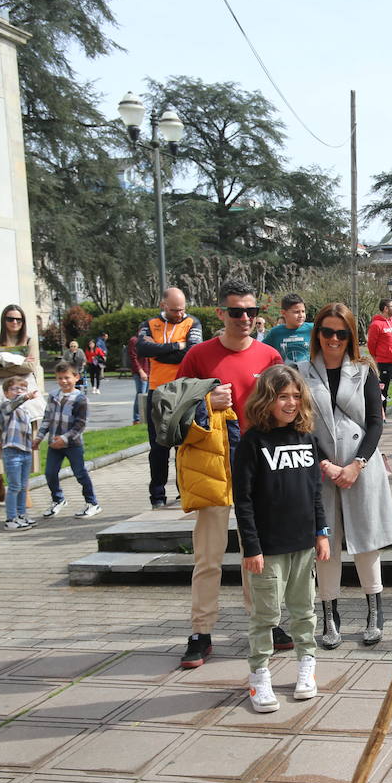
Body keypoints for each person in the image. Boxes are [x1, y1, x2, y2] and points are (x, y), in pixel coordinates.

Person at [174, 281, 284, 669]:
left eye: (251, 311)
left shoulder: (270, 356)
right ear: (220, 313)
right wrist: (205, 400)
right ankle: (201, 632)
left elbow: (285, 410)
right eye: (236, 311)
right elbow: (171, 413)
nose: (245, 319)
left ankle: (267, 623)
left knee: (260, 554)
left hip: (258, 468)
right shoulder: (199, 356)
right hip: (215, 466)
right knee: (208, 556)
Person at [297, 303, 392, 649]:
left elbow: (375, 422)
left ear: (351, 336)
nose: (334, 339)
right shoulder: (302, 372)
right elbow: (302, 425)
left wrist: (357, 464)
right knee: (326, 543)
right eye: (327, 332)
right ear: (318, 334)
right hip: (322, 469)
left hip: (360, 467)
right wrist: (325, 463)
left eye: (342, 333)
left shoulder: (364, 370)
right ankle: (329, 612)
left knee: (366, 540)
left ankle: (374, 608)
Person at [232, 364, 329, 712]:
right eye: (282, 396)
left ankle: (307, 667)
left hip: (303, 544)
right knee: (266, 615)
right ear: (266, 400)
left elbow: (315, 491)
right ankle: (259, 676)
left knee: (304, 611)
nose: (290, 403)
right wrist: (252, 546)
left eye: (295, 396)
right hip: (268, 549)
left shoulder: (307, 438)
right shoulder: (251, 443)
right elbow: (242, 500)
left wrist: (322, 532)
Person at [137, 287, 203, 509]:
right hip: (157, 391)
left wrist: (159, 352)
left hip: (183, 390)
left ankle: (184, 492)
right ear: (163, 305)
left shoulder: (192, 322)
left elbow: (192, 351)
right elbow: (142, 348)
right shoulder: (150, 324)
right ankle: (157, 496)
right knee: (158, 447)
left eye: (183, 309)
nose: (180, 314)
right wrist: (176, 346)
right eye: (175, 310)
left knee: (183, 446)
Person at [0, 305, 44, 510]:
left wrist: (2, 365)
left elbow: (30, 367)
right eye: (10, 319)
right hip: (0, 397)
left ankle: (24, 490)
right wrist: (15, 366)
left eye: (19, 319)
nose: (14, 323)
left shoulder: (29, 342)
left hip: (25, 397)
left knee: (26, 439)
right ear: (4, 320)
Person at [34, 361, 100, 518]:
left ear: (76, 377)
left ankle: (92, 503)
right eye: (59, 378)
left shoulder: (80, 399)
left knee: (80, 473)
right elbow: (47, 419)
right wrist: (39, 438)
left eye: (67, 377)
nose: (63, 381)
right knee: (50, 473)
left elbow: (81, 424)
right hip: (54, 444)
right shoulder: (53, 396)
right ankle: (58, 499)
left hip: (73, 444)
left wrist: (64, 439)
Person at [0, 376, 38, 530]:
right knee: (14, 486)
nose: (18, 391)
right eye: (14, 389)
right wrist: (25, 397)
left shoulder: (25, 410)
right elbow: (13, 405)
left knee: (23, 486)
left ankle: (21, 514)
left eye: (22, 389)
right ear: (6, 393)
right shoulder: (5, 407)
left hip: (25, 451)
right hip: (12, 451)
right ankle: (10, 518)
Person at [367, 298, 392, 424]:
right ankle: (381, 415)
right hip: (384, 363)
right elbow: (371, 344)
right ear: (385, 308)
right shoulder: (376, 325)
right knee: (382, 390)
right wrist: (378, 357)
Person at [262, 293, 313, 363]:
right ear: (283, 313)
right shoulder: (275, 332)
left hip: (307, 373)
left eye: (303, 311)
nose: (301, 315)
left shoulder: (312, 328)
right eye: (296, 312)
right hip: (285, 372)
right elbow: (261, 350)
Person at [127, 334, 148, 425]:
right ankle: (137, 418)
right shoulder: (134, 340)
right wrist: (141, 371)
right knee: (140, 395)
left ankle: (145, 417)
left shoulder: (148, 339)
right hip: (140, 372)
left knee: (147, 395)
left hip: (149, 371)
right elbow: (133, 357)